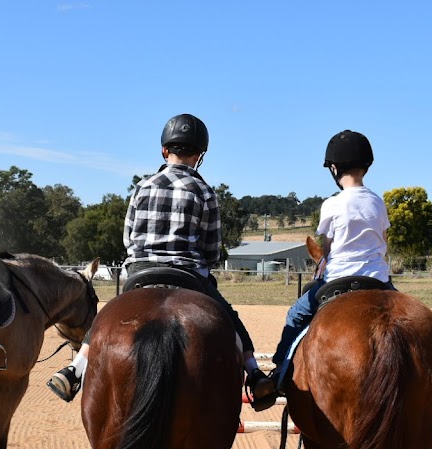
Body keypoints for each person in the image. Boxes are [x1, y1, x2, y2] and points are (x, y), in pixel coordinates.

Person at [47, 113, 277, 409]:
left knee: (106, 318)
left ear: (164, 151)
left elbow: (128, 239)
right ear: (200, 156)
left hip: (141, 273)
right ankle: (255, 374)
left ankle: (75, 369)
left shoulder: (142, 187)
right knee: (230, 319)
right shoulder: (205, 192)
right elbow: (210, 251)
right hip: (189, 276)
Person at [261, 130, 394, 409]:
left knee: (296, 314)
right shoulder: (378, 202)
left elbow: (328, 246)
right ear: (367, 165)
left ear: (334, 168)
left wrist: (326, 258)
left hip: (340, 279)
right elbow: (382, 238)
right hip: (379, 281)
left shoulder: (332, 204)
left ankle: (279, 374)